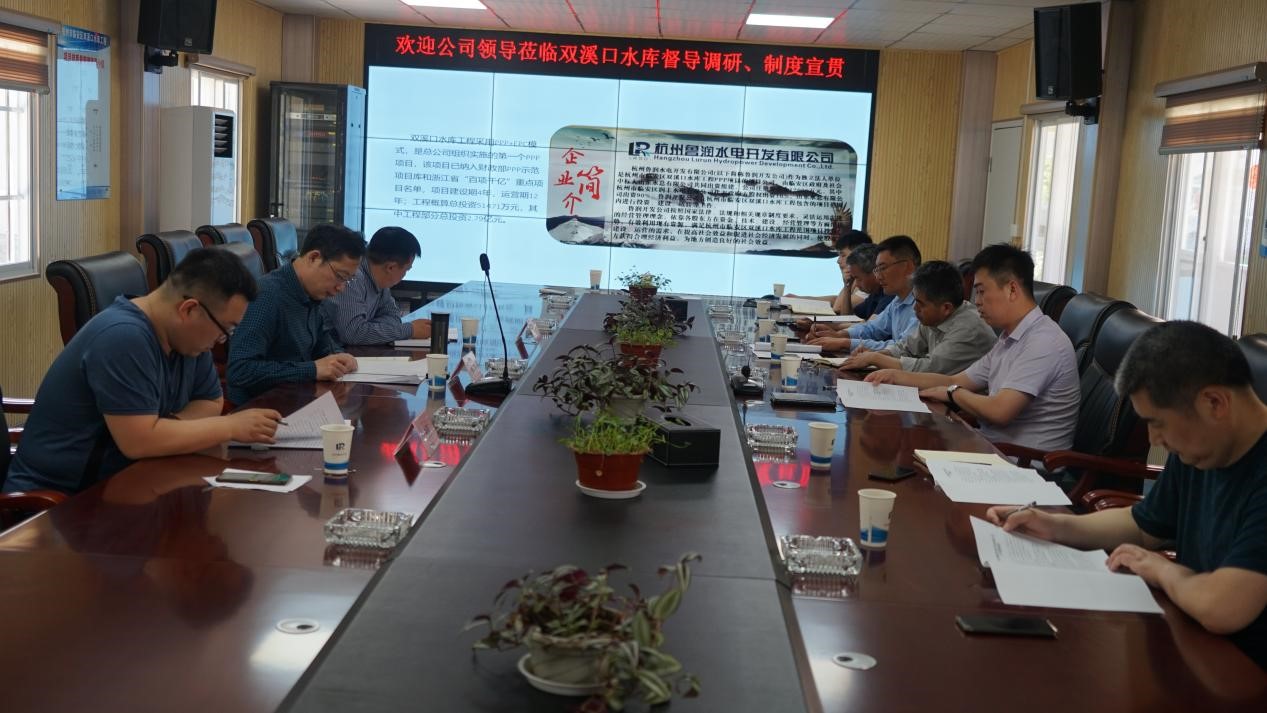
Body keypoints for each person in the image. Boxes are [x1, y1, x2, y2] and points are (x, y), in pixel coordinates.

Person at [986, 321, 1267, 669]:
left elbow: (1223, 608)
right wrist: (1055, 526)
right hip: (1196, 645)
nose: (1153, 440)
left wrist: (1162, 571)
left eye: (1157, 422)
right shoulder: (1205, 447)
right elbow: (1144, 526)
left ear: (1214, 402)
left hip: (1244, 671)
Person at [3, 249, 281, 495]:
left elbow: (210, 401)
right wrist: (229, 426)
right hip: (59, 503)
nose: (223, 340)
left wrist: (164, 430)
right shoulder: (123, 337)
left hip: (129, 483)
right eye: (226, 330)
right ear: (189, 310)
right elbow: (139, 443)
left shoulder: (187, 340)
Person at [866, 243, 1079, 452]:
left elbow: (1000, 410)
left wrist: (953, 393)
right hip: (992, 448)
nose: (976, 302)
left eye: (981, 291)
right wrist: (894, 376)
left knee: (908, 449)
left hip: (1021, 463)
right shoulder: (1009, 338)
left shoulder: (1043, 342)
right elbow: (955, 380)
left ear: (1012, 289)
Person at [227, 223, 365, 405]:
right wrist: (312, 370)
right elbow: (240, 370)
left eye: (348, 280)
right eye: (340, 276)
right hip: (259, 408)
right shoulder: (267, 296)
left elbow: (322, 344)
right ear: (314, 258)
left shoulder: (312, 293)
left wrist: (339, 356)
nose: (341, 288)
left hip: (297, 400)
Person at [838, 260, 995, 375]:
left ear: (946, 308)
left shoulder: (968, 328)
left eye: (920, 303)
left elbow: (930, 368)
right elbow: (906, 348)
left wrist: (875, 358)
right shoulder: (933, 316)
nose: (914, 308)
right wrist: (876, 355)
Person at [805, 235, 922, 353]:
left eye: (883, 268)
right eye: (877, 270)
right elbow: (872, 328)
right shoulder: (898, 300)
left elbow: (903, 347)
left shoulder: (922, 304)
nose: (878, 277)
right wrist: (840, 335)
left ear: (907, 266)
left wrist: (845, 343)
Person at [326, 226, 431, 346]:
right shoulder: (353, 277)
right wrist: (410, 330)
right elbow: (354, 333)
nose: (404, 275)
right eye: (406, 270)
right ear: (390, 267)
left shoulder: (381, 281)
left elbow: (394, 317)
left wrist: (369, 328)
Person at [788, 229, 874, 315]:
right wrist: (798, 299)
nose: (838, 261)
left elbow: (838, 307)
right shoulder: (855, 281)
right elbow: (835, 299)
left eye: (843, 255)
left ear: (858, 255)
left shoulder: (866, 285)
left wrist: (847, 284)